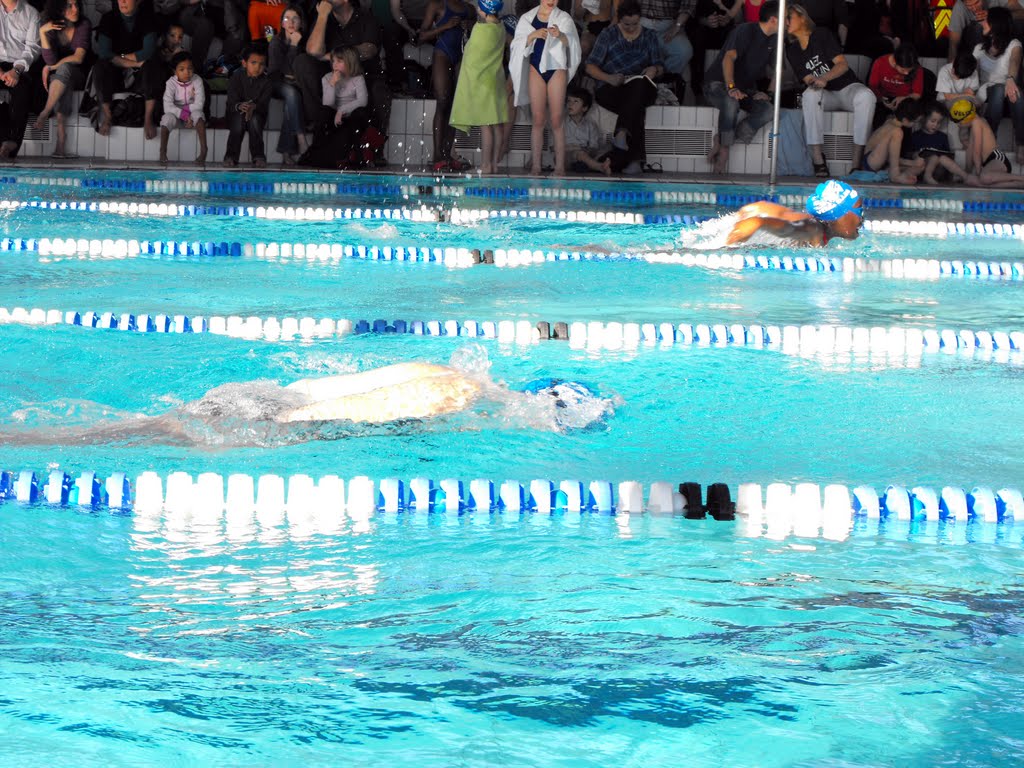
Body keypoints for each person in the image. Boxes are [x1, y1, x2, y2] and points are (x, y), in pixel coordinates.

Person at [0, 362, 613, 447]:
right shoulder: (460, 398)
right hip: (280, 415)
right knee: (140, 434)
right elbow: (366, 413)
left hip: (268, 394)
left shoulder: (455, 373)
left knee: (136, 427)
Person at [786, 3, 875, 176]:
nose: (786, 22)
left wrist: (824, 78)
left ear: (802, 17)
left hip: (847, 88)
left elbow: (842, 65)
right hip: (826, 95)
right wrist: (815, 82)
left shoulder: (822, 34)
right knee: (809, 95)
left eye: (789, 17)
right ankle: (818, 159)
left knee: (867, 96)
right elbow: (807, 79)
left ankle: (856, 164)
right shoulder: (792, 50)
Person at [298, 0, 389, 165]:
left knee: (380, 90)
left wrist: (335, 56)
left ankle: (376, 149)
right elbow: (313, 51)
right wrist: (322, 16)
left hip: (363, 77)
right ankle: (318, 129)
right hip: (334, 79)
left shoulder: (366, 17)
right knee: (303, 62)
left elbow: (369, 50)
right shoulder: (324, 18)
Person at [585, 0, 665, 174]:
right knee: (636, 106)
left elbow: (659, 65)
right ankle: (635, 161)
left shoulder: (649, 35)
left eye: (635, 24)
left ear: (640, 19)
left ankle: (621, 134)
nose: (631, 28)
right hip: (612, 87)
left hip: (641, 86)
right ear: (619, 19)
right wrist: (609, 78)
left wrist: (654, 69)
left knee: (638, 87)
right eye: (626, 24)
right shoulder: (608, 34)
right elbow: (590, 66)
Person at [703, 0, 779, 174]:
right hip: (717, 84)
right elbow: (728, 58)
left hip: (744, 89)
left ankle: (721, 139)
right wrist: (731, 87)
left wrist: (768, 93)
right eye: (785, 17)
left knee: (768, 110)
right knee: (731, 102)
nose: (788, 22)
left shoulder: (776, 39)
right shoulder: (745, 30)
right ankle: (724, 152)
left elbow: (778, 71)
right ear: (774, 20)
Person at [510, 0, 581, 175]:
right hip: (536, 69)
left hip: (556, 69)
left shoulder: (563, 18)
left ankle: (560, 167)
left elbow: (572, 42)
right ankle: (536, 165)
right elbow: (516, 45)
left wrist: (560, 35)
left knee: (556, 120)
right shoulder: (527, 18)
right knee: (538, 119)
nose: (551, 1)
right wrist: (532, 36)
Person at [449, 0, 508, 174]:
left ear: (485, 11)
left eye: (479, 7)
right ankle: (494, 165)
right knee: (497, 125)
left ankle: (485, 165)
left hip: (483, 84)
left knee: (485, 125)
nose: (476, 9)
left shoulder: (480, 30)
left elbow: (472, 57)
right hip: (497, 81)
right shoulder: (501, 28)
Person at [93, 0, 165, 139]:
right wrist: (135, 63)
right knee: (100, 65)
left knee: (152, 65)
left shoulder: (147, 18)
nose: (123, 1)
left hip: (140, 77)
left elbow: (148, 52)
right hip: (116, 75)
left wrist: (118, 57)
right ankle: (108, 116)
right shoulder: (109, 18)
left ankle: (148, 119)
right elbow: (104, 54)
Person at [418, 0, 475, 171]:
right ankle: (437, 156)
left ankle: (447, 154)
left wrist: (470, 26)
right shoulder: (436, 5)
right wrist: (445, 26)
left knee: (454, 106)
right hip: (442, 53)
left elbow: (482, 31)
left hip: (462, 56)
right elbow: (421, 36)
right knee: (442, 101)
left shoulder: (469, 9)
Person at [725, 179, 864, 247]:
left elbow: (783, 214)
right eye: (859, 210)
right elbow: (787, 228)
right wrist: (758, 222)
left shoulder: (816, 225)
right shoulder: (814, 230)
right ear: (840, 214)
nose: (862, 217)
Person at [33, 0, 92, 159]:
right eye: (69, 6)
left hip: (81, 75)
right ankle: (61, 142)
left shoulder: (84, 24)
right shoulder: (50, 26)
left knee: (64, 70)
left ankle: (46, 111)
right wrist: (42, 32)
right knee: (63, 78)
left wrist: (51, 67)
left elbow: (78, 58)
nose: (75, 9)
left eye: (76, 5)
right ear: (58, 9)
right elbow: (50, 60)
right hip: (61, 78)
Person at [299, 45, 369, 167]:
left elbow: (363, 101)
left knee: (360, 113)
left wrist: (341, 110)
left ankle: (357, 156)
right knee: (324, 112)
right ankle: (315, 153)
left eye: (339, 61)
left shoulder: (358, 78)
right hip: (333, 117)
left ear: (349, 62)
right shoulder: (327, 78)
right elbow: (328, 103)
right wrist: (332, 84)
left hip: (351, 117)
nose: (334, 65)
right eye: (333, 61)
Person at [972, 7, 1024, 164]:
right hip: (987, 92)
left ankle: (1021, 144)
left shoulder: (1014, 44)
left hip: (1009, 88)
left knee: (1016, 94)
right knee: (998, 90)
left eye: (986, 21)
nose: (982, 23)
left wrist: (1010, 79)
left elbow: (1015, 61)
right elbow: (972, 76)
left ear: (996, 24)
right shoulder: (978, 49)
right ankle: (990, 140)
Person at [268, 5, 309, 164]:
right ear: (282, 23)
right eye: (287, 19)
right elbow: (281, 71)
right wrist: (293, 46)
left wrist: (296, 45)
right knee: (292, 93)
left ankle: (286, 152)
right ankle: (301, 138)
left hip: (294, 85)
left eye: (295, 19)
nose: (291, 22)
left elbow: (299, 70)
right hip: (275, 84)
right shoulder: (275, 42)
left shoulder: (304, 41)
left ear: (301, 23)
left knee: (290, 103)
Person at [950, 97, 1024, 186]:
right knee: (978, 181)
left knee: (983, 178)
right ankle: (1018, 184)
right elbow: (970, 150)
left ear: (968, 118)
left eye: (959, 122)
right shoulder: (975, 123)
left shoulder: (977, 122)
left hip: (997, 159)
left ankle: (1021, 178)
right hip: (989, 163)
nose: (958, 125)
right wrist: (967, 173)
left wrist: (978, 174)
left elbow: (976, 152)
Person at [0, 0, 41, 159]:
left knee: (22, 90)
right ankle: (5, 141)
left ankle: (11, 143)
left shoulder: (31, 13)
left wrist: (16, 70)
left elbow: (33, 48)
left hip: (20, 65)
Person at [225, 44, 273, 167]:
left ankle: (258, 156)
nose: (257, 67)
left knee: (255, 120)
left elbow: (263, 104)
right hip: (236, 112)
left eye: (261, 64)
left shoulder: (267, 82)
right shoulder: (236, 77)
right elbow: (231, 102)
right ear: (244, 63)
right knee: (238, 121)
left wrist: (253, 107)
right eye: (253, 63)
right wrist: (240, 106)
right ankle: (231, 156)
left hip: (257, 114)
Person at [910, 101, 976, 185]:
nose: (935, 125)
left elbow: (947, 155)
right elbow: (909, 155)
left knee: (940, 158)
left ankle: (966, 177)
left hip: (939, 171)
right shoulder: (915, 136)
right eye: (933, 121)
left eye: (939, 122)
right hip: (921, 169)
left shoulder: (942, 137)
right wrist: (918, 154)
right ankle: (927, 176)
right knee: (929, 157)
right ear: (924, 119)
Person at [687, 0, 741, 103]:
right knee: (697, 37)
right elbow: (689, 16)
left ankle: (730, 88)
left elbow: (736, 17)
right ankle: (698, 90)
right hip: (700, 29)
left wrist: (726, 19)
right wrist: (703, 21)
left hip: (724, 30)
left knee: (733, 37)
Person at [638, 0, 694, 98]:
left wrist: (677, 25)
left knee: (684, 51)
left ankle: (661, 81)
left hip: (668, 25)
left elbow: (688, 4)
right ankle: (638, 84)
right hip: (639, 22)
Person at [861, 98, 925, 183]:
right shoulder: (896, 130)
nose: (915, 125)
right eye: (915, 122)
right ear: (905, 120)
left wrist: (914, 164)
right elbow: (891, 159)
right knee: (897, 132)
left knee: (920, 167)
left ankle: (890, 173)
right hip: (871, 162)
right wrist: (912, 163)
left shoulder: (890, 120)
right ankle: (895, 175)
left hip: (879, 162)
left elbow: (891, 157)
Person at [160, 50, 207, 164]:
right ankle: (163, 150)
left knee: (199, 115)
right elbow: (167, 107)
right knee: (167, 118)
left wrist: (187, 114)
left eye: (190, 68)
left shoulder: (197, 80)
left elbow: (199, 104)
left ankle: (204, 150)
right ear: (174, 71)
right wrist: (184, 115)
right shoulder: (170, 83)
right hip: (176, 116)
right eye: (181, 69)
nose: (186, 72)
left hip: (192, 115)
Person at [868, 42, 924, 128]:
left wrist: (904, 98)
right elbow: (872, 87)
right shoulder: (880, 62)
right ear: (894, 62)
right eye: (903, 70)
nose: (906, 73)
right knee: (878, 116)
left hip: (906, 100)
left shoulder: (918, 69)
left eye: (909, 70)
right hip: (883, 99)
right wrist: (882, 100)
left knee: (907, 116)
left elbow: (917, 94)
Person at [563, 85, 611, 173]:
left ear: (584, 108)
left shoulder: (591, 125)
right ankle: (600, 167)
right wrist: (575, 148)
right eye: (569, 101)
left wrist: (586, 150)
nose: (570, 104)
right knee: (579, 154)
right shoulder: (561, 124)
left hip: (585, 154)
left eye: (576, 101)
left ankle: (582, 165)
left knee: (607, 148)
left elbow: (594, 147)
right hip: (565, 157)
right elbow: (553, 148)